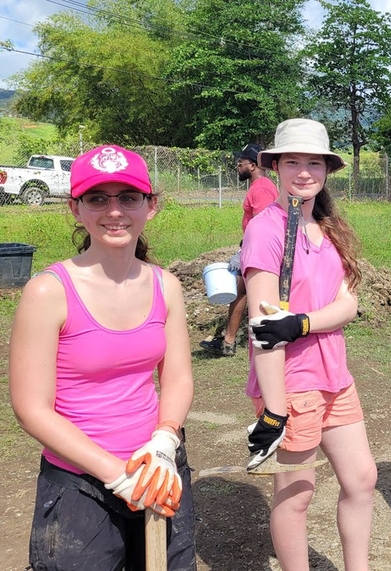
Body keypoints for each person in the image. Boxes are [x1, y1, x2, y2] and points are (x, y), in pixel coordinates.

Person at [9, 145, 196, 569]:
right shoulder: (48, 291)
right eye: (98, 199)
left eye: (128, 198)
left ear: (151, 206)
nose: (115, 211)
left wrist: (166, 440)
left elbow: (179, 378)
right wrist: (116, 474)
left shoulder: (166, 286)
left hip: (159, 472)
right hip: (81, 484)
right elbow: (31, 408)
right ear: (76, 209)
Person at [240, 118, 376, 571]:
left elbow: (348, 305)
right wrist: (274, 410)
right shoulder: (267, 229)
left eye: (313, 162)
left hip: (334, 375)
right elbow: (264, 330)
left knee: (361, 479)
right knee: (296, 494)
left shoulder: (326, 226)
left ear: (326, 169)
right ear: (275, 166)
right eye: (292, 161)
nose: (303, 171)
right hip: (292, 382)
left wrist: (300, 322)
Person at [201, 143, 279, 356]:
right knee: (243, 291)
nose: (238, 166)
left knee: (243, 291)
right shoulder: (258, 186)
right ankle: (230, 341)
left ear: (253, 165)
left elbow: (264, 225)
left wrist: (243, 251)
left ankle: (231, 342)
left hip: (261, 250)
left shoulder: (262, 189)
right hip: (255, 248)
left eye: (240, 163)